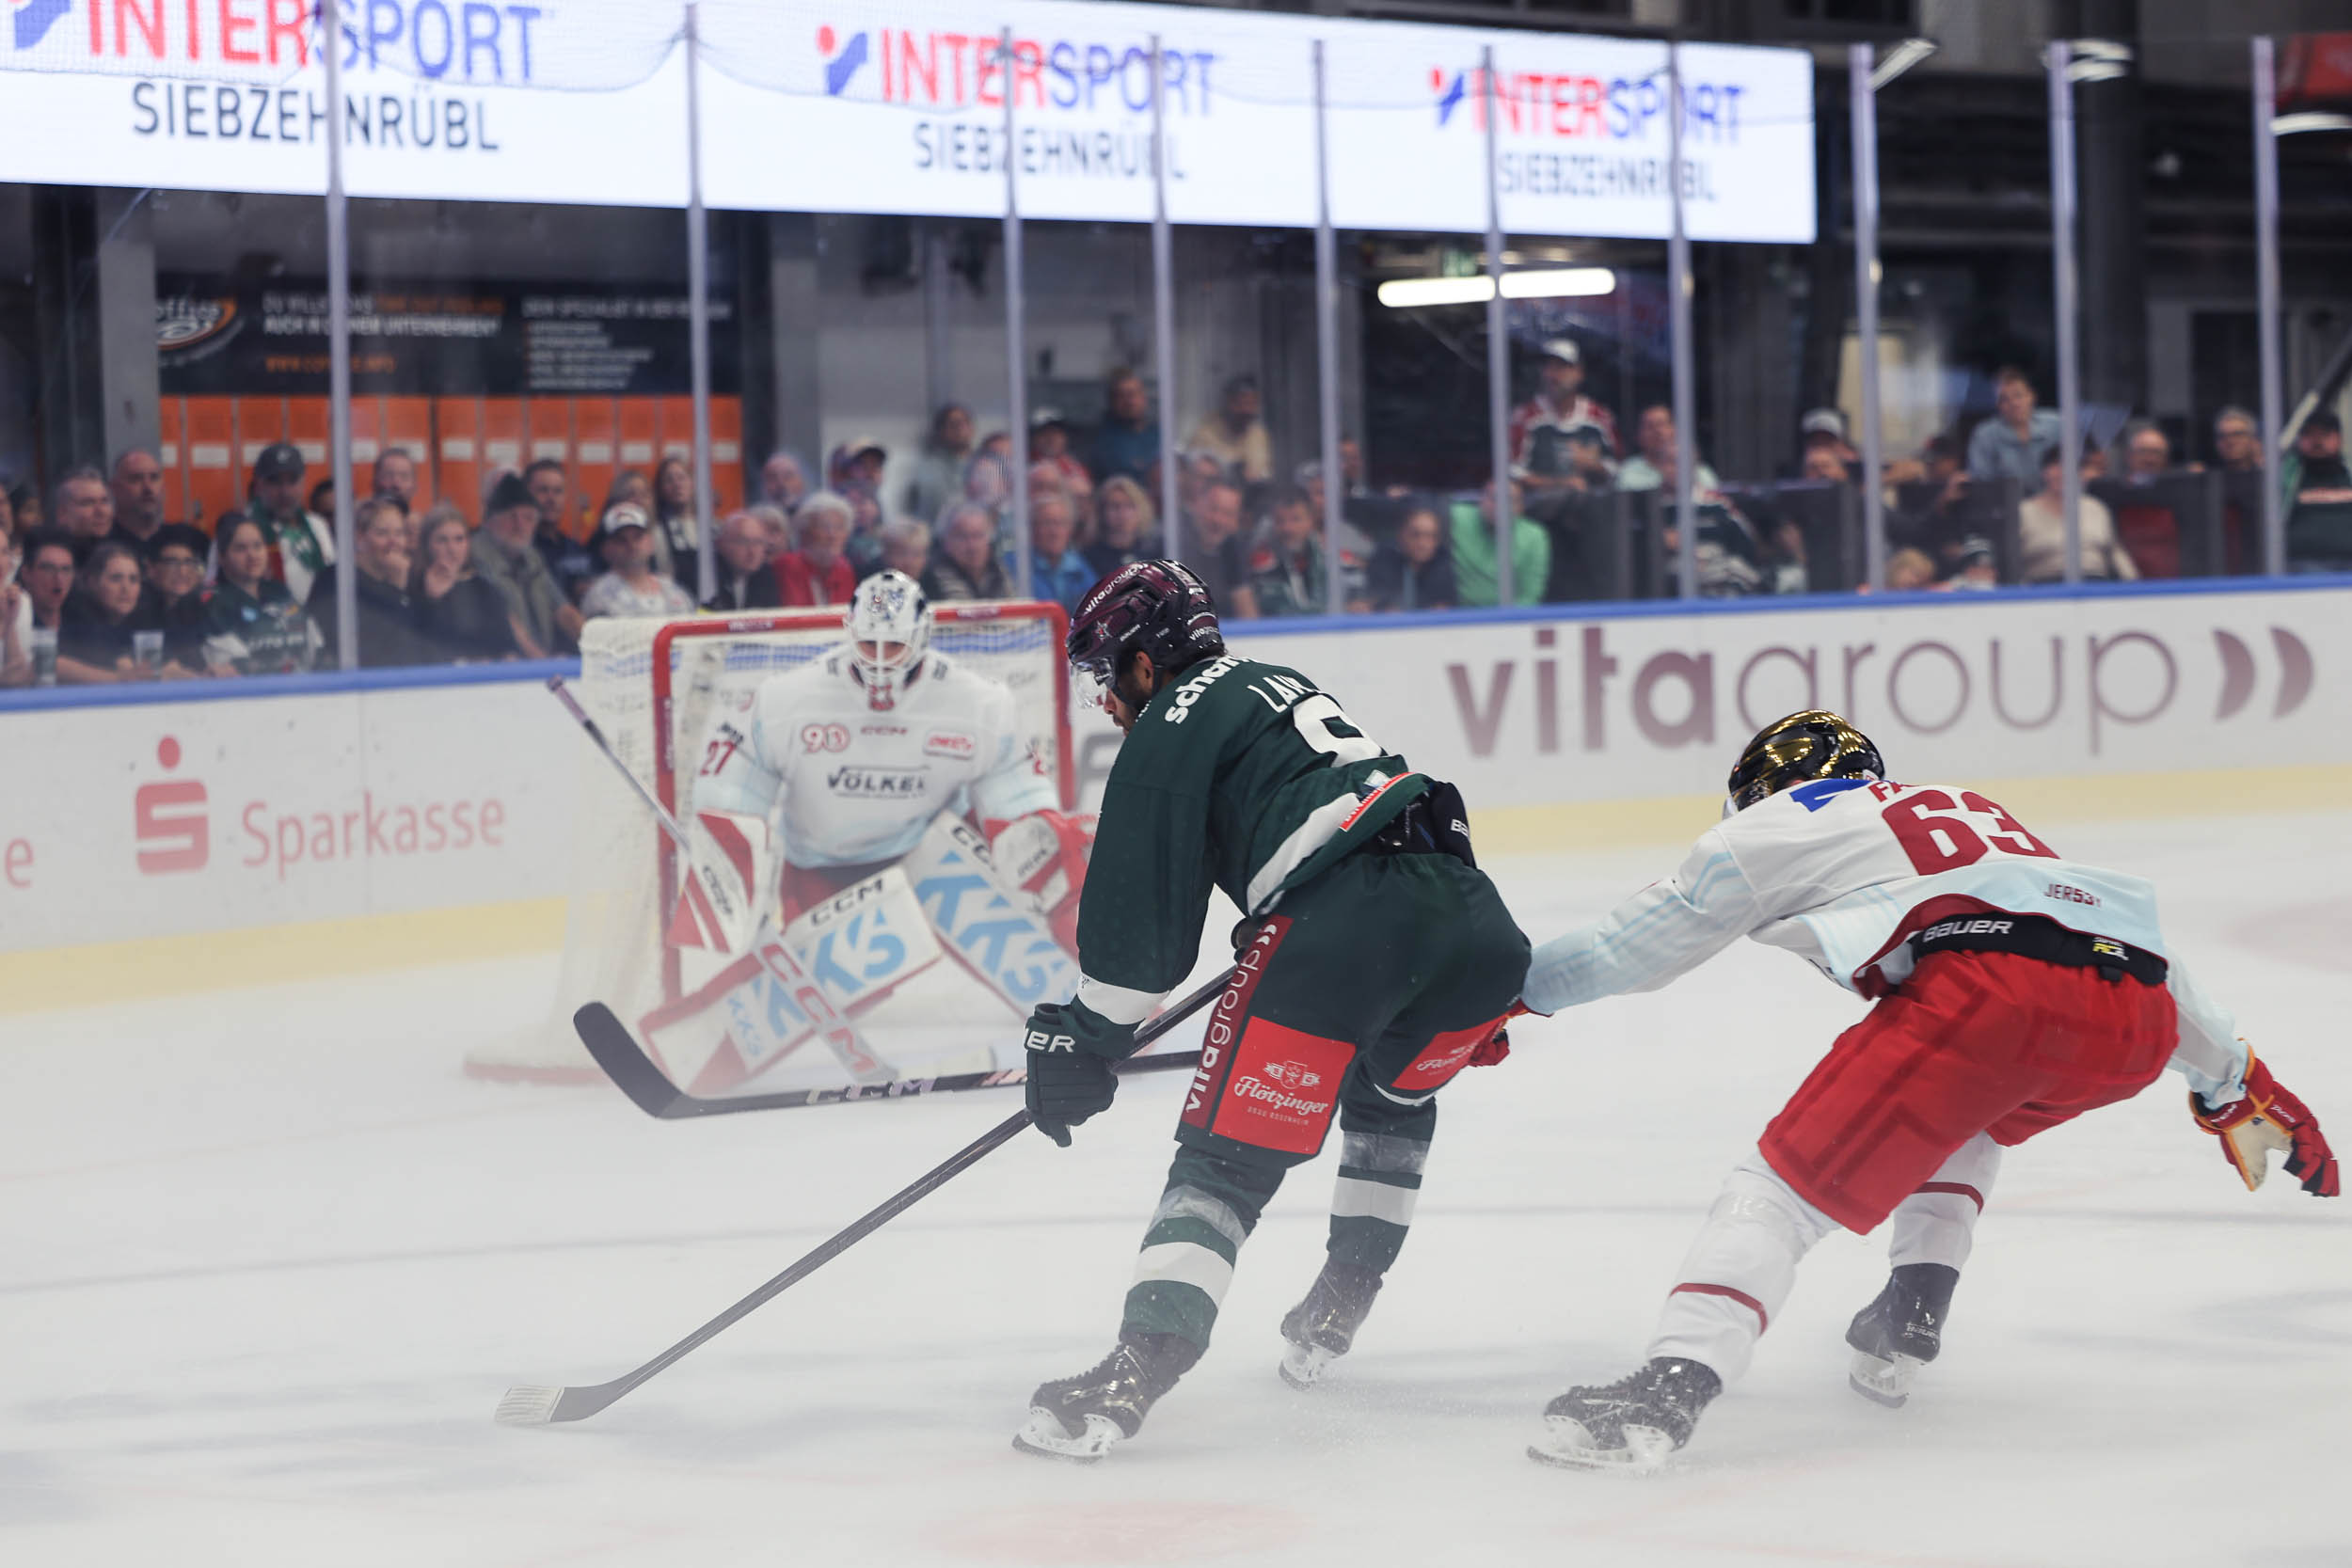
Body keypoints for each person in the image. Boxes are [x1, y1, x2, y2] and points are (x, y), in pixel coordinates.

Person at [1518, 710, 2338, 1473]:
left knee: (1778, 1192)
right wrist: (2239, 1083)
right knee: (1966, 1114)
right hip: (2136, 1018)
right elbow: (2119, 945)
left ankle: (1667, 1390)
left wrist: (1508, 996)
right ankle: (1913, 1306)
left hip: (1993, 994)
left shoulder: (1781, 819)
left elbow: (1628, 948)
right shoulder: (1970, 809)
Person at [1011, 562, 1528, 1463]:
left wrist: (1085, 1036)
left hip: (1338, 932)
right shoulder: (1279, 683)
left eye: (1106, 674)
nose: (1106, 701)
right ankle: (1344, 1296)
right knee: (1391, 1096)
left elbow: (1141, 943)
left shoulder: (1169, 719)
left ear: (1145, 661)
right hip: (1472, 926)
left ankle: (1140, 1365)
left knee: (1224, 1163)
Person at [680, 566, 1093, 998]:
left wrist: (1039, 836)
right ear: (849, 631)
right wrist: (730, 849)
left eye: (893, 645)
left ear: (921, 636)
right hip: (822, 868)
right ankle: (717, 1004)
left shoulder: (978, 703)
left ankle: (1095, 990)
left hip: (927, 860)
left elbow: (1017, 791)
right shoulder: (788, 698)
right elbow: (735, 778)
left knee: (1044, 848)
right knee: (832, 998)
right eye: (868, 643)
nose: (878, 660)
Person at [310, 499, 447, 670]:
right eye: (382, 533)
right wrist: (397, 590)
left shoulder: (412, 579)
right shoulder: (334, 580)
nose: (394, 542)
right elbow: (371, 649)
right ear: (359, 537)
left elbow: (431, 645)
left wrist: (432, 599)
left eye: (399, 533)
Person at [473, 472, 581, 657]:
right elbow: (508, 622)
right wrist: (543, 664)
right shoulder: (476, 556)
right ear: (490, 522)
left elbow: (564, 611)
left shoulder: (532, 557)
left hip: (537, 663)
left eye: (528, 518)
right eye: (511, 517)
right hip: (501, 663)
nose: (520, 525)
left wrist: (599, 647)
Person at [56, 539, 193, 682]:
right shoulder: (76, 615)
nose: (126, 588)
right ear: (93, 582)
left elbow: (169, 666)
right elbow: (57, 664)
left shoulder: (141, 617)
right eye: (116, 579)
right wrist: (118, 678)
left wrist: (201, 677)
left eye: (133, 580)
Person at [202, 514, 320, 674]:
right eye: (240, 548)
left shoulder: (280, 592)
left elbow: (315, 645)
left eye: (258, 546)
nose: (252, 555)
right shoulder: (213, 603)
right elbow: (232, 668)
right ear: (222, 558)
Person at [1509, 339, 1620, 499]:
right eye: (1547, 367)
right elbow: (1513, 472)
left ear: (1579, 373)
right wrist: (1560, 484)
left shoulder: (1599, 416)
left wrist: (1594, 466)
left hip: (1592, 507)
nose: (1551, 375)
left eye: (1560, 367)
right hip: (1538, 509)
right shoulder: (1523, 417)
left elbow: (1618, 468)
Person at [2016, 448, 2139, 583]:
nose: (2063, 473)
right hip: (2044, 587)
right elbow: (2012, 561)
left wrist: (2134, 585)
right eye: (2056, 466)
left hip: (2095, 584)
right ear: (2045, 472)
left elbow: (2115, 553)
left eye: (2070, 467)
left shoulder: (2096, 508)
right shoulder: (2024, 512)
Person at [412, 505, 520, 660]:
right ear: (427, 544)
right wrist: (431, 600)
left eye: (459, 539)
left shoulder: (485, 588)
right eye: (442, 540)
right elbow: (417, 646)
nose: (452, 549)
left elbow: (508, 646)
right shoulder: (413, 586)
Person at [236, 443, 336, 606]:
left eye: (292, 481)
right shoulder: (240, 529)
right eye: (275, 482)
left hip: (317, 615)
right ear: (259, 486)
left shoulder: (317, 526)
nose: (285, 492)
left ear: (303, 482)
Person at [580, 503, 698, 621]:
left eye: (638, 537)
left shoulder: (674, 591)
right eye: (621, 540)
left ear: (651, 542)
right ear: (606, 549)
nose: (631, 545)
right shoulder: (599, 596)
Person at [1450, 479, 1548, 609]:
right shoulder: (1457, 518)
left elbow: (1530, 597)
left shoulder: (1534, 537)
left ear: (1520, 507)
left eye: (1509, 501)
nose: (1500, 506)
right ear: (1481, 500)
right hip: (1458, 616)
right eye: (1494, 498)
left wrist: (1504, 619)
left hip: (1510, 617)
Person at [1965, 367, 2063, 494]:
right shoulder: (1985, 435)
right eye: (2004, 399)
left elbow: (2077, 467)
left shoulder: (2056, 425)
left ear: (2031, 396)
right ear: (1997, 405)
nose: (2014, 403)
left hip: (2055, 501)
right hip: (2006, 503)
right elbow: (1981, 482)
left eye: (2018, 395)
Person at [1176, 477, 1260, 619]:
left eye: (1228, 514)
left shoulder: (1233, 549)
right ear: (1196, 505)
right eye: (1213, 509)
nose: (1218, 520)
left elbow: (1248, 616)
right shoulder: (1173, 544)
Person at [2282, 410, 2352, 572]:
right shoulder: (2286, 475)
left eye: (2325, 434)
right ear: (2299, 440)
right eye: (2309, 435)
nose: (2317, 441)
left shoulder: (2349, 472)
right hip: (2299, 567)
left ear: (2339, 438)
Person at [1354, 503, 1455, 613]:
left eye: (1430, 536)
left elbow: (1442, 611)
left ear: (1437, 541)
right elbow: (1374, 605)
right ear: (1401, 535)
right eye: (1415, 535)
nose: (1423, 543)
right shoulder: (1383, 563)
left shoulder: (1445, 568)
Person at [1248, 486, 1328, 618]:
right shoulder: (1262, 562)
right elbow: (1275, 609)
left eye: (1296, 519)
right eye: (1280, 521)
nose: (1288, 528)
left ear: (1311, 521)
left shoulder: (1329, 558)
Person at [142, 523, 213, 668]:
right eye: (172, 563)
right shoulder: (138, 613)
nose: (182, 572)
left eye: (189, 562)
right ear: (151, 568)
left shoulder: (202, 609)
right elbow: (150, 669)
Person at [526, 458, 595, 603]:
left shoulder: (576, 549)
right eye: (543, 490)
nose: (551, 499)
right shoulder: (519, 551)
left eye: (558, 491)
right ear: (526, 495)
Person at [774, 491, 859, 608]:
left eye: (839, 527)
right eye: (824, 527)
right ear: (805, 533)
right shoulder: (788, 565)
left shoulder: (844, 569)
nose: (832, 535)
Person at [1185, 374, 1273, 485]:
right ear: (1229, 403)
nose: (1246, 410)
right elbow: (1194, 476)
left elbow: (1264, 473)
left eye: (1251, 404)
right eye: (1241, 403)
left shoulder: (1258, 435)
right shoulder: (1206, 433)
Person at [923, 500, 1014, 602]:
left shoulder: (998, 572)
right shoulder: (931, 579)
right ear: (945, 540)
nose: (972, 546)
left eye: (978, 536)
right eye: (963, 536)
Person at [903, 404, 975, 526]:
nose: (960, 429)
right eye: (954, 424)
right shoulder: (927, 470)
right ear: (942, 430)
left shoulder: (982, 465)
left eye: (965, 423)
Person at [1090, 369, 1162, 487]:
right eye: (1121, 396)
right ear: (1112, 401)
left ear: (1144, 398)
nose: (1129, 402)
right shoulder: (1101, 440)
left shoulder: (1159, 434)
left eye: (1133, 394)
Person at [1027, 488, 1093, 611]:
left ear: (1070, 529)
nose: (1054, 532)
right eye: (1047, 523)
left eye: (1060, 523)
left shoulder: (1079, 567)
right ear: (1032, 527)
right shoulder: (1018, 566)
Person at [707, 510, 784, 611]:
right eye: (744, 542)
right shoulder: (708, 574)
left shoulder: (766, 576)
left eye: (758, 542)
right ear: (721, 544)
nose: (752, 551)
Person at [1084, 476, 1154, 581]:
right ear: (1102, 511)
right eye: (1115, 506)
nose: (1122, 514)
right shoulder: (1088, 558)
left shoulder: (1152, 554)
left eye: (1129, 506)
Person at [648, 454, 700, 590]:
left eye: (682, 477)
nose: (677, 484)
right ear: (660, 489)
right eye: (669, 480)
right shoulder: (657, 532)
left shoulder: (713, 527)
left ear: (692, 482)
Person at [109, 449, 167, 547]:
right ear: (115, 488)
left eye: (154, 478)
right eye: (136, 479)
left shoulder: (184, 539)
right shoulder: (101, 544)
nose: (148, 488)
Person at [53, 467, 117, 547]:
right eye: (88, 503)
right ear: (63, 513)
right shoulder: (50, 552)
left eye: (105, 501)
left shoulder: (124, 548)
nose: (101, 511)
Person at [876, 517, 931, 583]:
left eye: (917, 554)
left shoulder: (931, 582)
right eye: (902, 554)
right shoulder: (870, 583)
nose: (909, 563)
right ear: (886, 555)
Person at [2213, 406, 2262, 473]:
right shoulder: (2209, 477)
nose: (2230, 441)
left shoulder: (2269, 475)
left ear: (2253, 439)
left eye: (2237, 434)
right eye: (2223, 436)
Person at [760, 450, 810, 515]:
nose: (781, 484)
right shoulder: (757, 519)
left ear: (801, 481)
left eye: (788, 476)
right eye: (773, 478)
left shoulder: (814, 516)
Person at [373, 448, 419, 512]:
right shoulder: (359, 516)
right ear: (375, 481)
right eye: (389, 475)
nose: (396, 484)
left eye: (404, 477)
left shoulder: (423, 518)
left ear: (414, 485)